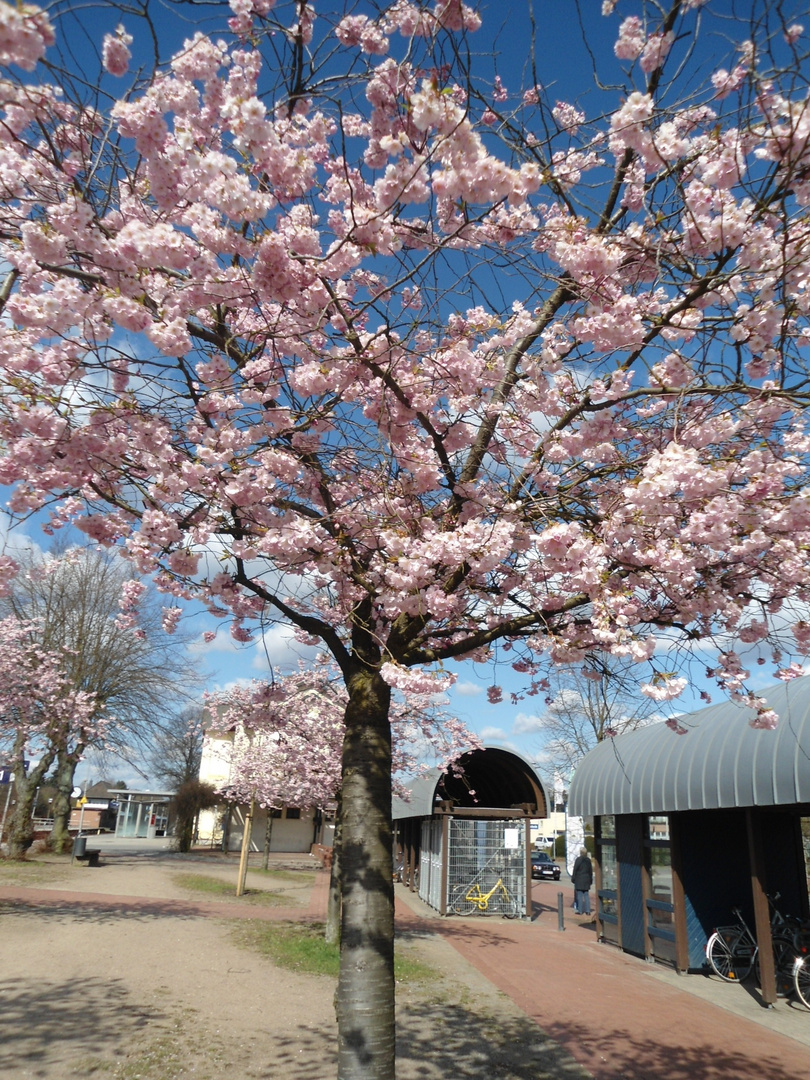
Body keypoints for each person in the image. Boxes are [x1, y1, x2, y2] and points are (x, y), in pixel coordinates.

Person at [571, 847, 593, 916]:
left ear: (580, 852)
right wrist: (590, 880)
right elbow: (590, 871)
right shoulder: (588, 860)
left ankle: (580, 910)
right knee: (586, 895)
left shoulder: (578, 860)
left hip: (579, 879)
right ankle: (588, 911)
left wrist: (573, 878)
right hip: (586, 880)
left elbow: (575, 870)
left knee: (580, 895)